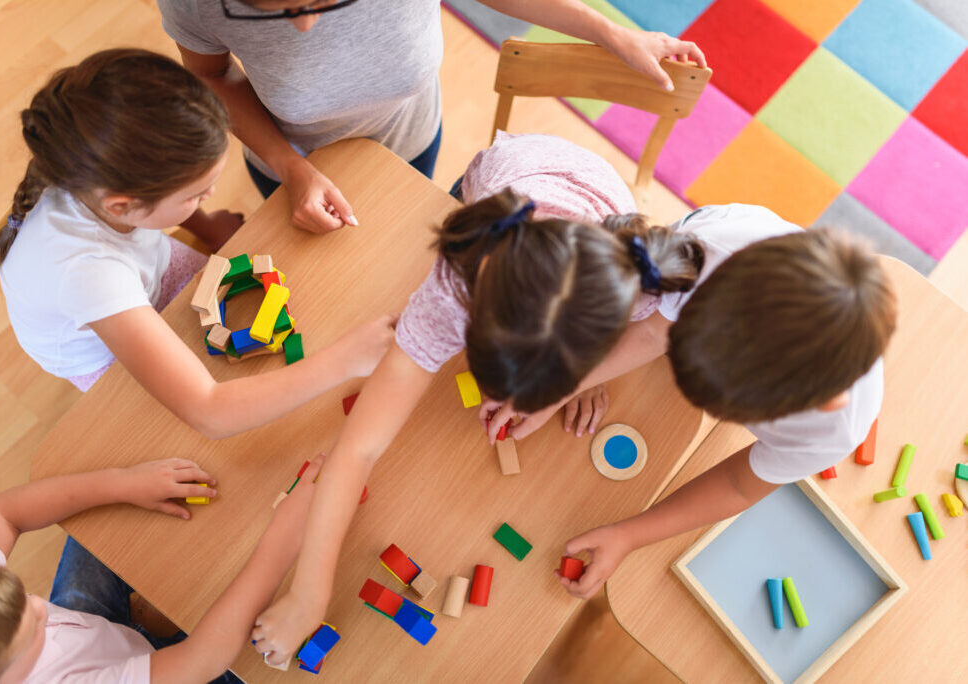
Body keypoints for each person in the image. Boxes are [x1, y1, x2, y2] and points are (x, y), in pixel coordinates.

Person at [249, 131, 709, 664]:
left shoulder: (637, 288)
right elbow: (357, 449)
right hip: (507, 179)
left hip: (600, 224)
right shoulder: (449, 291)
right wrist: (310, 594)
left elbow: (644, 338)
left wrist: (586, 382)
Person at [0, 49, 393, 438]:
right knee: (178, 424)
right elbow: (210, 412)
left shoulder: (88, 161)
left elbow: (154, 204)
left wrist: (204, 225)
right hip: (99, 350)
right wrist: (343, 360)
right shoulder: (88, 274)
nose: (213, 192)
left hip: (139, 272)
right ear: (123, 204)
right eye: (197, 194)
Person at [552, 223, 895, 598]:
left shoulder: (833, 432)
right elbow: (651, 327)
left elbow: (738, 486)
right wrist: (571, 376)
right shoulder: (710, 246)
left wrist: (629, 535)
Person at [156, 0, 706, 233]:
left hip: (413, 133)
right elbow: (208, 75)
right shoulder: (195, 3)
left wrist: (613, 33)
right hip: (290, 159)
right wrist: (288, 164)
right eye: (275, 10)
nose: (303, 27)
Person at [0, 456, 321, 683]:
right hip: (165, 671)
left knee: (98, 525)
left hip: (97, 634)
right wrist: (284, 539)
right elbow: (203, 658)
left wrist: (123, 483)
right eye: (31, 628)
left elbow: (3, 513)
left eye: (23, 594)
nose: (39, 607)